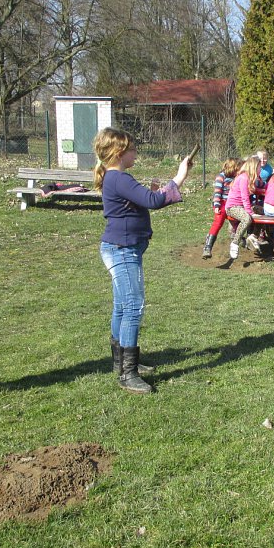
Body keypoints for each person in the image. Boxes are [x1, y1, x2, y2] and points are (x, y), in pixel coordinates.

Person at [95, 127, 194, 394]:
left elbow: (139, 202)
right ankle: (128, 374)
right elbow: (153, 201)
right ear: (119, 152)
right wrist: (180, 176)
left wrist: (149, 195)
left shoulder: (115, 177)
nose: (136, 153)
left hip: (120, 248)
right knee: (133, 307)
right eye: (133, 149)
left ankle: (122, 363)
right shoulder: (119, 178)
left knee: (121, 306)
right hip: (122, 250)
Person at [202, 157, 242, 259]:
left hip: (234, 203)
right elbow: (217, 192)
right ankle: (208, 247)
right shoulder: (221, 176)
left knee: (238, 219)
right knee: (218, 222)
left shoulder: (238, 177)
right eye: (238, 168)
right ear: (232, 167)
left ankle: (238, 239)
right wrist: (216, 205)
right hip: (222, 202)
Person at [224, 157, 262, 260]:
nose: (260, 169)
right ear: (253, 167)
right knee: (247, 218)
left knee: (264, 212)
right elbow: (244, 197)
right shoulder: (244, 178)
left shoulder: (251, 178)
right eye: (259, 167)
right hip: (233, 207)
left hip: (242, 207)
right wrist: (250, 212)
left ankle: (253, 236)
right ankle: (235, 243)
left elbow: (259, 187)